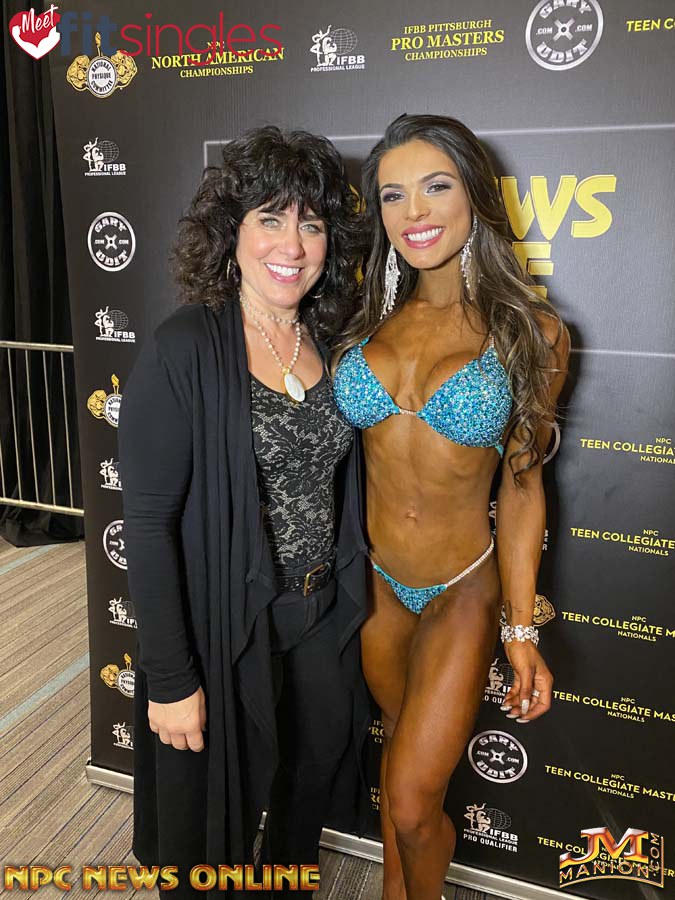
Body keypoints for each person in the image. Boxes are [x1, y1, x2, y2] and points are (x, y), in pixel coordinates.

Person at [117, 125, 371, 897]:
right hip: (222, 624)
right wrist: (170, 680)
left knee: (308, 781)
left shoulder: (330, 339)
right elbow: (148, 528)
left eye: (311, 223)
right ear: (232, 232)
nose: (291, 244)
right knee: (207, 825)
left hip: (320, 613)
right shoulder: (185, 347)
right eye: (270, 218)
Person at [333, 114, 570, 900]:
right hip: (374, 585)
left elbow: (523, 485)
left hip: (460, 587)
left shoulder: (531, 332)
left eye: (435, 186)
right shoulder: (360, 323)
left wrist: (519, 627)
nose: (414, 212)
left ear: (473, 194)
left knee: (408, 804)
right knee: (400, 766)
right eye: (392, 195)